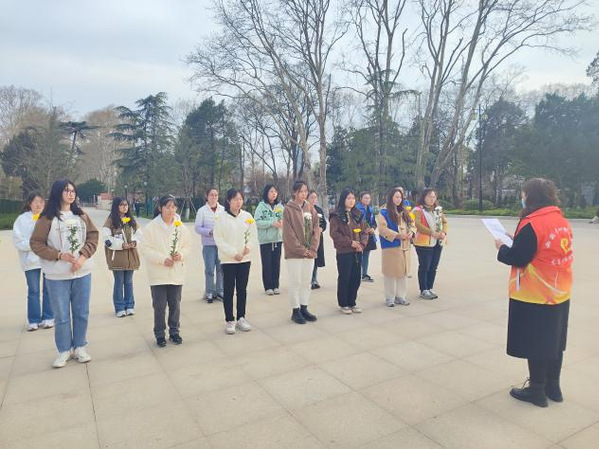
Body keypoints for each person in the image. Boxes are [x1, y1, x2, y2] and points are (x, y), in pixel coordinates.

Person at [495, 178, 573, 408]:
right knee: (555, 340)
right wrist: (516, 240)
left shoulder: (532, 222)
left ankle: (536, 390)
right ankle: (553, 387)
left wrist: (502, 248)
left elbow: (519, 257)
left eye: (524, 193)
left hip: (536, 293)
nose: (522, 197)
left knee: (537, 342)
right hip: (560, 291)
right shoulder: (561, 220)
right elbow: (542, 248)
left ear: (531, 196)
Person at [30, 179, 98, 368]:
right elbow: (36, 243)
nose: (71, 194)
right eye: (66, 190)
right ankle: (64, 350)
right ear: (57, 192)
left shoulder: (81, 215)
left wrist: (82, 258)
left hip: (82, 273)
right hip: (57, 276)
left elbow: (93, 236)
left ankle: (80, 347)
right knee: (61, 316)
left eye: (73, 191)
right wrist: (58, 255)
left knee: (81, 312)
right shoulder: (47, 218)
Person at [140, 195, 191, 347]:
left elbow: (188, 246)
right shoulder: (151, 228)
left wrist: (181, 255)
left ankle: (174, 331)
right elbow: (145, 249)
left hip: (175, 272)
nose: (171, 210)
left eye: (173, 207)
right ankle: (160, 333)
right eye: (167, 207)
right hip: (158, 274)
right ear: (160, 208)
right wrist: (162, 259)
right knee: (159, 306)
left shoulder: (180, 227)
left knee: (175, 305)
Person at [213, 189, 258, 334]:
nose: (238, 202)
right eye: (235, 199)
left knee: (242, 289)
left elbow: (253, 236)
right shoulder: (221, 218)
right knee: (228, 290)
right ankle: (229, 320)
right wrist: (233, 253)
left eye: (240, 199)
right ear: (228, 201)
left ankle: (241, 317)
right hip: (229, 260)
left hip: (244, 259)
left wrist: (247, 248)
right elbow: (219, 239)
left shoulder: (247, 216)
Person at [12, 192, 54, 331]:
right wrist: (35, 246)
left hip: (46, 259)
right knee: (33, 290)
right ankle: (34, 320)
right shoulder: (22, 219)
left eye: (41, 202)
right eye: (35, 202)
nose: (38, 204)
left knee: (48, 289)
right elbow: (18, 240)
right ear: (29, 203)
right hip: (30, 261)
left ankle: (48, 317)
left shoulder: (48, 217)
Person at [283, 181, 321, 324]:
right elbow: (289, 234)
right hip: (295, 253)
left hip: (309, 253)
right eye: (301, 191)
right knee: (295, 282)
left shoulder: (310, 207)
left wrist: (312, 248)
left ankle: (304, 307)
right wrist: (302, 250)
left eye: (305, 191)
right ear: (294, 192)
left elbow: (316, 228)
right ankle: (295, 310)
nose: (304, 194)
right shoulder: (288, 209)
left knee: (306, 281)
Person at [329, 188, 369, 314]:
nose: (351, 201)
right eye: (348, 198)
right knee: (345, 277)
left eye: (353, 198)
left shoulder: (357, 214)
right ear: (343, 199)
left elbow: (364, 231)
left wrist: (362, 244)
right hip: (344, 251)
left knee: (356, 278)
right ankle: (344, 303)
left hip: (357, 251)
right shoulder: (336, 215)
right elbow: (335, 234)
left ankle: (352, 301)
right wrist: (350, 242)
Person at [376, 187, 416, 307]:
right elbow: (382, 229)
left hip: (404, 246)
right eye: (396, 197)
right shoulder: (383, 212)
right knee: (390, 273)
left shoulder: (405, 211)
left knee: (403, 273)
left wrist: (411, 232)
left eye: (400, 197)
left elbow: (412, 224)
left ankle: (401, 296)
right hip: (391, 246)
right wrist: (398, 235)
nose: (399, 199)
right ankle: (389, 297)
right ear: (391, 198)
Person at [103, 197, 141, 317]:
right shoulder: (110, 221)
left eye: (126, 205)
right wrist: (121, 245)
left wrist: (134, 242)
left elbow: (139, 234)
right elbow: (107, 239)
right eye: (121, 205)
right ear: (116, 206)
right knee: (119, 282)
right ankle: (119, 307)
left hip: (130, 257)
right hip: (118, 257)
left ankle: (129, 305)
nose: (124, 207)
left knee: (128, 282)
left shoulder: (131, 220)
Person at [413, 188, 448, 300]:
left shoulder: (437, 210)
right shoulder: (417, 210)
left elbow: (445, 222)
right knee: (424, 266)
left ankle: (430, 287)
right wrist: (432, 233)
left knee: (433, 266)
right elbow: (418, 224)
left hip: (438, 242)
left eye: (434, 197)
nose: (432, 199)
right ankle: (424, 289)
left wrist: (444, 232)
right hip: (424, 243)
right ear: (424, 197)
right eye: (429, 197)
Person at [194, 188, 225, 303]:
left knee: (221, 269)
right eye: (211, 195)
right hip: (208, 244)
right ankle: (209, 292)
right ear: (207, 196)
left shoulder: (223, 209)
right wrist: (209, 232)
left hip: (221, 244)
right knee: (209, 269)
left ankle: (220, 291)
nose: (214, 197)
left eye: (216, 195)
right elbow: (197, 228)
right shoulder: (202, 211)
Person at [253, 184, 284, 295]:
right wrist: (271, 223)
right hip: (265, 240)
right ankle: (268, 287)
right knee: (267, 264)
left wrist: (282, 223)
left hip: (278, 239)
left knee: (276, 263)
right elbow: (257, 222)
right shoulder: (261, 206)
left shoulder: (280, 206)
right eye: (271, 191)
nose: (274, 194)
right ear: (266, 193)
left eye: (275, 191)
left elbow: (285, 218)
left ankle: (276, 285)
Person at [356, 191, 377, 282]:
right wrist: (364, 229)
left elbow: (374, 222)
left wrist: (372, 228)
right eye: (365, 198)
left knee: (366, 255)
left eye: (368, 198)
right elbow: (355, 223)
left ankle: (364, 274)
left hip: (369, 236)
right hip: (360, 235)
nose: (367, 200)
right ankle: (357, 274)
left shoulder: (370, 209)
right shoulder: (357, 209)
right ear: (360, 199)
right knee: (358, 256)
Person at [307, 190, 326, 289]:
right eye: (311, 197)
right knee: (309, 259)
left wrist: (321, 228)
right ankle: (309, 279)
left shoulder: (319, 210)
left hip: (318, 238)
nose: (314, 199)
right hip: (308, 238)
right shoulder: (304, 209)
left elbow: (324, 223)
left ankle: (314, 279)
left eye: (315, 197)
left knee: (316, 259)